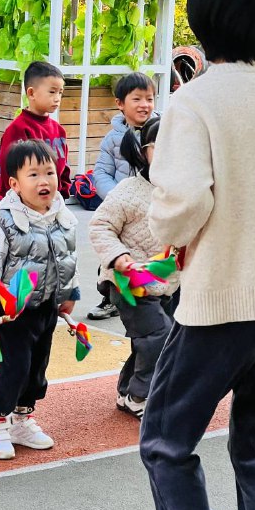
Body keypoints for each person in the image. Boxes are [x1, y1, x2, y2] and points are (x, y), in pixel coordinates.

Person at [139, 0, 255, 510]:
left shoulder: (196, 102)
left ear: (203, 21)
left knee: (165, 436)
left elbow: (183, 200)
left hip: (221, 299)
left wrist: (161, 235)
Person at [0, 140, 80, 460]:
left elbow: (67, 257)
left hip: (47, 307)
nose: (44, 181)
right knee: (16, 368)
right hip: (15, 311)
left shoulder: (62, 216)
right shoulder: (7, 220)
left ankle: (22, 419)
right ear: (15, 184)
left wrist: (69, 294)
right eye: (33, 174)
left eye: (49, 172)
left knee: (37, 369)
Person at [88, 118, 178, 420]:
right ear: (144, 153)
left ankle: (127, 390)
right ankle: (140, 395)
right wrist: (119, 257)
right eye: (160, 146)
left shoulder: (181, 192)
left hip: (165, 282)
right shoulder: (130, 189)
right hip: (127, 281)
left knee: (156, 339)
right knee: (158, 337)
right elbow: (100, 225)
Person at [87, 72, 158, 321]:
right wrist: (115, 197)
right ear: (120, 103)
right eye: (137, 99)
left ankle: (150, 296)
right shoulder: (113, 138)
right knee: (114, 255)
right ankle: (110, 298)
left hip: (151, 207)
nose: (144, 105)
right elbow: (101, 173)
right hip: (121, 208)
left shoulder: (160, 134)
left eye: (149, 99)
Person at [0, 61, 71, 200]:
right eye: (52, 92)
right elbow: (8, 169)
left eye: (60, 93)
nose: (57, 98)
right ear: (31, 93)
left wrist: (63, 192)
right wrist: (14, 199)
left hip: (52, 199)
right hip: (23, 203)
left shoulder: (59, 130)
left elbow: (64, 166)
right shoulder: (18, 129)